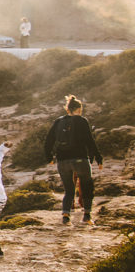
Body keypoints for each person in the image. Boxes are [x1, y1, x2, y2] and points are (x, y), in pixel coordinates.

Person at [43, 95, 103, 225]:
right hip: (80, 158)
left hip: (62, 160)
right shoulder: (82, 121)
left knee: (68, 189)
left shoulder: (58, 121)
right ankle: (87, 215)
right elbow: (90, 141)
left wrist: (49, 157)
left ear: (67, 109)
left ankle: (66, 216)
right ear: (79, 109)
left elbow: (48, 141)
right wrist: (98, 157)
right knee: (87, 185)